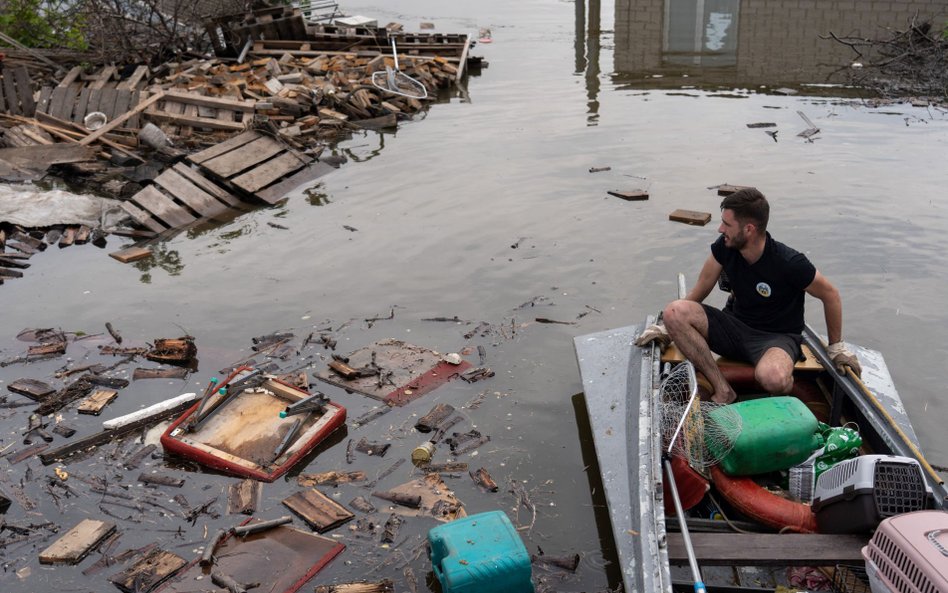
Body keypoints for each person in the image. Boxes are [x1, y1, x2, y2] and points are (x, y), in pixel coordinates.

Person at [636, 188, 861, 403]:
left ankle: (789, 400)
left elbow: (831, 295)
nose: (720, 230)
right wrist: (669, 327)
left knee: (773, 377)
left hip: (776, 338)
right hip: (733, 328)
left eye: (727, 224)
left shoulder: (789, 262)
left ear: (749, 229)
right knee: (674, 311)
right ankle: (723, 389)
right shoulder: (724, 247)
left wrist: (836, 347)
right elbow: (699, 291)